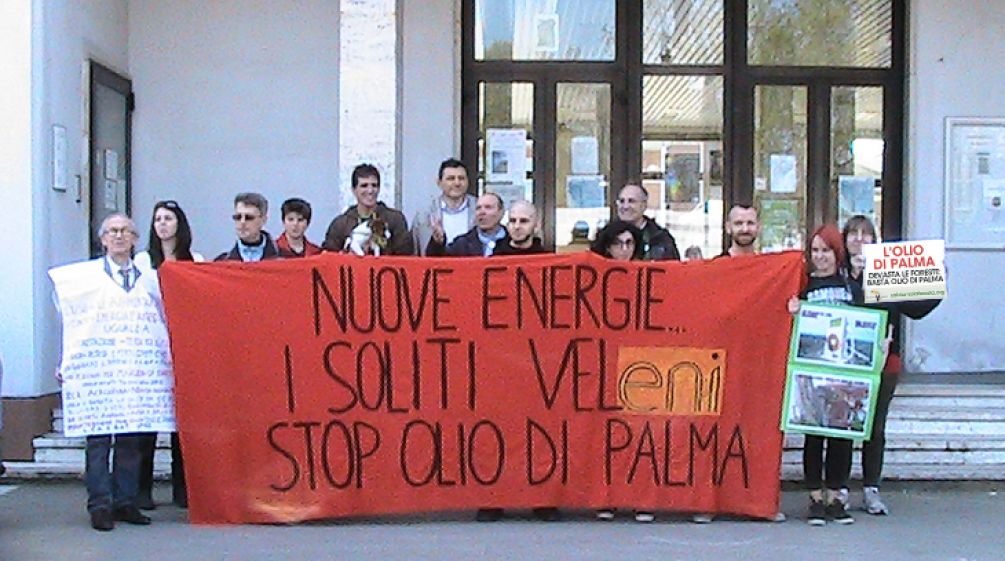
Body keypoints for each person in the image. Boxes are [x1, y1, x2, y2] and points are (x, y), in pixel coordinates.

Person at [54, 214, 154, 531]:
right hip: (99, 373)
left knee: (129, 439)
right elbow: (74, 322)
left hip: (132, 372)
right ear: (103, 240)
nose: (119, 236)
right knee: (98, 441)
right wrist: (67, 361)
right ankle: (100, 504)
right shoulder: (84, 281)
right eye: (113, 231)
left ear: (135, 238)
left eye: (125, 231)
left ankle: (125, 501)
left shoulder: (149, 279)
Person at [842, 215, 941, 515]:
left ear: (875, 240)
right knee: (844, 425)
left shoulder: (887, 274)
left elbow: (917, 309)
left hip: (884, 363)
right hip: (846, 363)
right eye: (853, 234)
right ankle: (841, 487)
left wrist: (935, 283)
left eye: (866, 234)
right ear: (845, 240)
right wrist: (857, 282)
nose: (859, 239)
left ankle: (871, 489)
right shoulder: (838, 273)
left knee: (875, 427)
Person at [478, 200, 556, 523]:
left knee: (541, 429)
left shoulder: (549, 261)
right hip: (500, 356)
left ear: (535, 224)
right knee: (499, 428)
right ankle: (494, 497)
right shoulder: (492, 260)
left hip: (538, 356)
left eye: (524, 220)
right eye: (513, 220)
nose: (518, 225)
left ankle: (543, 498)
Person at [786, 224, 865, 526]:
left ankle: (836, 495)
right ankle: (815, 498)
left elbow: (870, 319)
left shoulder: (851, 287)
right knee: (814, 436)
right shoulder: (802, 286)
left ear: (837, 252)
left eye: (826, 250)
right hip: (811, 374)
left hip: (845, 375)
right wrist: (793, 311)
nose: (820, 257)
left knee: (841, 436)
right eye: (815, 251)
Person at [133, 200, 203, 510]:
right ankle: (141, 490)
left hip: (183, 348)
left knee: (183, 423)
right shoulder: (141, 262)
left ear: (180, 224)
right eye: (158, 219)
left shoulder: (195, 260)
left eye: (169, 218)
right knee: (148, 423)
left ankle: (183, 489)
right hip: (150, 349)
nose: (162, 224)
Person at [591, 220, 655, 523]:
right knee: (607, 436)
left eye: (630, 244)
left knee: (639, 434)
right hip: (601, 364)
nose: (624, 250)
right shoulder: (590, 277)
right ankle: (609, 498)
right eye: (618, 244)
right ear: (607, 246)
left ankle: (641, 499)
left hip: (639, 365)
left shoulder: (651, 277)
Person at [323, 163, 413, 255]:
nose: (370, 191)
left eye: (374, 185)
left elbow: (405, 257)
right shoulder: (340, 224)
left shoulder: (395, 220)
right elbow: (327, 257)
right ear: (354, 190)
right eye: (364, 186)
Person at [412, 158, 478, 255]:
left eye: (461, 178)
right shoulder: (424, 215)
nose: (457, 183)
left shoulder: (479, 209)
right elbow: (415, 252)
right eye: (451, 178)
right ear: (439, 183)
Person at [426, 193, 508, 257]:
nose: (482, 212)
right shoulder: (461, 244)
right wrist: (437, 243)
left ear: (501, 212)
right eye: (478, 208)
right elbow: (438, 262)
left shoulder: (512, 241)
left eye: (488, 207)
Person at [614, 183, 680, 261]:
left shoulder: (660, 239)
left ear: (644, 205)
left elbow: (672, 269)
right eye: (622, 201)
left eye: (631, 201)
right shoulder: (606, 237)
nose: (625, 206)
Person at [215, 192, 280, 261]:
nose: (242, 222)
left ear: (263, 220)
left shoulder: (284, 259)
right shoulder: (222, 262)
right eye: (238, 217)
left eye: (249, 217)